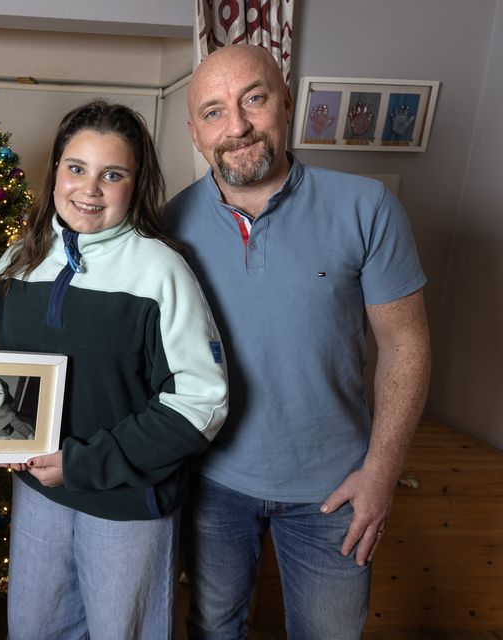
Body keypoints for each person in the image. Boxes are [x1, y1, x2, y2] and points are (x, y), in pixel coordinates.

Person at [166, 44, 431, 639]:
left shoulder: (367, 209)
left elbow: (406, 345)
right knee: (212, 630)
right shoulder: (169, 226)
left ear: (286, 102)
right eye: (213, 112)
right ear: (194, 131)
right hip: (212, 484)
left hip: (335, 491)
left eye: (253, 99)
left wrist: (382, 472)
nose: (236, 127)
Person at [0, 100, 229, 639]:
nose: (88, 189)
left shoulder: (161, 270)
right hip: (38, 496)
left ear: (135, 185)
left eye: (111, 175)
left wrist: (86, 462)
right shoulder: (14, 263)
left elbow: (202, 402)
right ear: (55, 173)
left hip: (126, 505)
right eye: (76, 168)